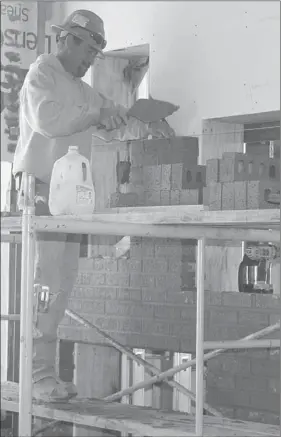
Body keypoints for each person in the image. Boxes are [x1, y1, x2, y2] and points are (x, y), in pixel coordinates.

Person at [12, 9, 128, 403]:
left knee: (61, 286)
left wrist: (122, 116)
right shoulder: (41, 75)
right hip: (42, 191)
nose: (89, 61)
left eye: (96, 55)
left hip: (70, 197)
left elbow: (104, 109)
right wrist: (96, 114)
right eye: (87, 51)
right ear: (67, 40)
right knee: (45, 282)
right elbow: (49, 121)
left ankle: (46, 375)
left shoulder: (82, 88)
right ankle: (36, 375)